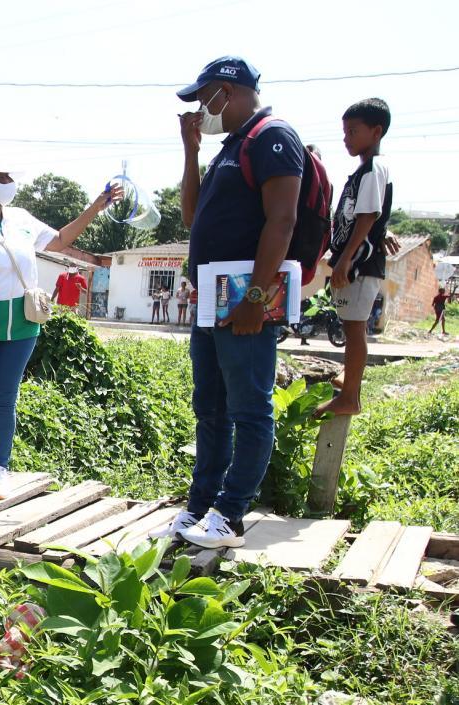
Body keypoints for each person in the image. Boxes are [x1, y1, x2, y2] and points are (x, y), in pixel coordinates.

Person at [157, 57, 305, 549]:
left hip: (245, 298)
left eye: (205, 98)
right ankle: (201, 505)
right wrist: (190, 150)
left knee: (249, 407)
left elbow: (280, 222)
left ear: (228, 91)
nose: (202, 108)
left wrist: (257, 299)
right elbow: (191, 215)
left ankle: (232, 514)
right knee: (211, 408)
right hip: (211, 299)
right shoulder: (231, 147)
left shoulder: (272, 138)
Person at [0, 159, 117, 500]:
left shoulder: (20, 218)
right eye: (4, 178)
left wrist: (97, 205)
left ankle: (0, 469)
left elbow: (61, 240)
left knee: (5, 397)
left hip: (22, 321)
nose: (10, 182)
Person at [316, 99, 394, 418]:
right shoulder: (363, 171)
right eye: (344, 132)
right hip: (354, 262)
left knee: (354, 328)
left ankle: (349, 397)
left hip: (360, 265)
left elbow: (368, 216)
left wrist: (347, 259)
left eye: (353, 131)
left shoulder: (374, 169)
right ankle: (349, 380)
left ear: (375, 132)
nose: (346, 138)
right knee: (351, 327)